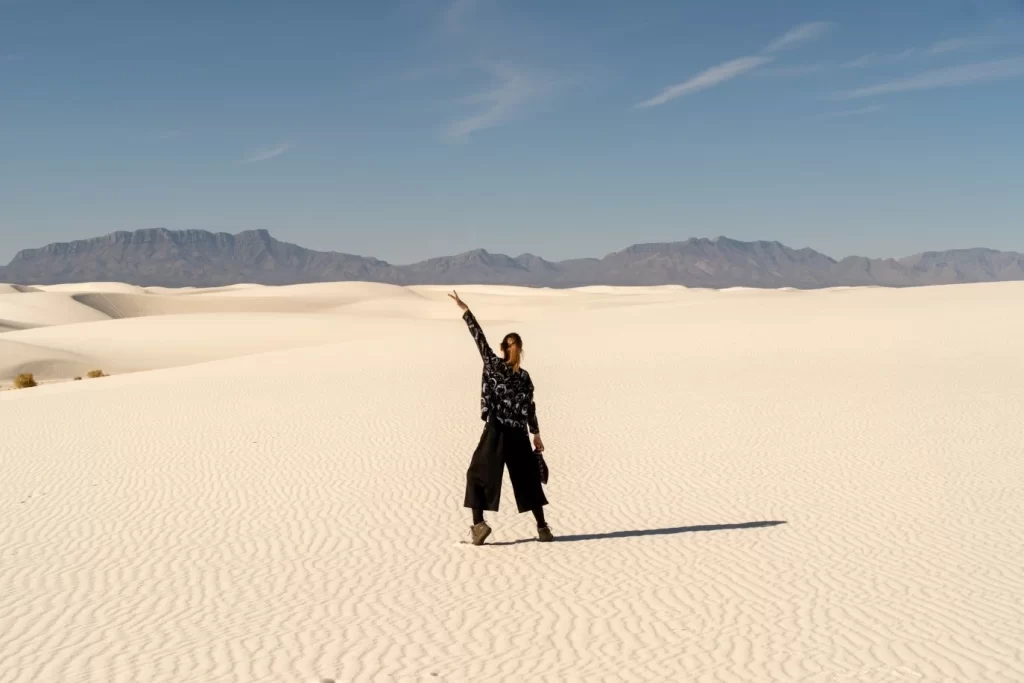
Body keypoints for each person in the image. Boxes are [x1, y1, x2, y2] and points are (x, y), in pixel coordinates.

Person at [449, 290, 554, 545]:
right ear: (520, 349)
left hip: (496, 431)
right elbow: (530, 407)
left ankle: (479, 525)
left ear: (503, 348)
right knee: (528, 479)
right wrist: (536, 434)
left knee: (477, 475)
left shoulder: (494, 365)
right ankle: (543, 528)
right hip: (518, 434)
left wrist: (465, 310)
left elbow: (479, 338)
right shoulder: (524, 377)